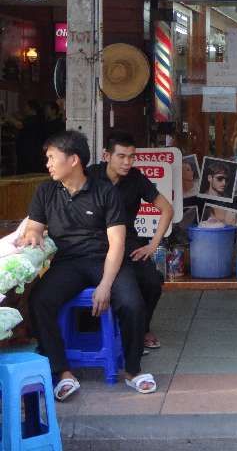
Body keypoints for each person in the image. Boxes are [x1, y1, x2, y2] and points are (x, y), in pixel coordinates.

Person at [23, 130, 155, 401]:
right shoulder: (46, 191)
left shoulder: (105, 192)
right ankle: (62, 372)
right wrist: (33, 234)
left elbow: (117, 243)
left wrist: (105, 285)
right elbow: (34, 226)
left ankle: (133, 370)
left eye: (52, 157)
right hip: (67, 263)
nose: (48, 164)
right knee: (39, 300)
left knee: (132, 303)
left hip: (106, 259)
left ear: (73, 160)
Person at [87, 131, 175, 351]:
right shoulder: (90, 176)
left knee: (152, 283)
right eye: (121, 156)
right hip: (95, 244)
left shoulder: (136, 178)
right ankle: (94, 331)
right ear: (107, 156)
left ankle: (142, 329)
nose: (127, 162)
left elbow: (167, 209)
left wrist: (153, 245)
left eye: (131, 157)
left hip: (128, 243)